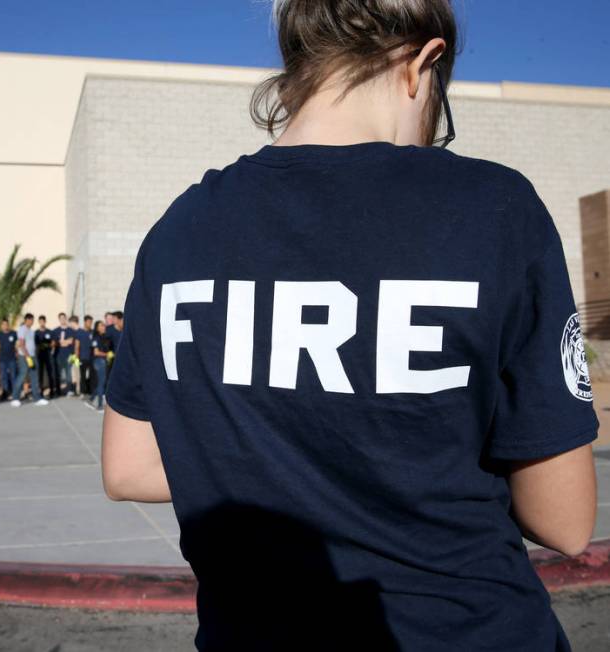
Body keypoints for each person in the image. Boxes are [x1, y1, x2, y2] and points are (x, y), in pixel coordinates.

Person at [100, 2, 599, 650]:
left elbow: (130, 466)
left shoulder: (178, 232)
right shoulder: (495, 209)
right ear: (423, 63)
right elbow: (565, 520)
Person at [10, 313, 48, 407]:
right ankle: (15, 398)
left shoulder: (31, 331)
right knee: (22, 375)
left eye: (32, 320)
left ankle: (37, 398)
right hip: (24, 356)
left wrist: (33, 355)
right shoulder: (22, 329)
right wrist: (27, 356)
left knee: (34, 377)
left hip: (33, 356)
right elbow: (21, 343)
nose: (32, 322)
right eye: (30, 320)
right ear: (26, 320)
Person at [85, 320, 111, 413]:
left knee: (101, 382)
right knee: (101, 383)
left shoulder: (104, 337)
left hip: (103, 361)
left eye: (104, 325)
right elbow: (96, 352)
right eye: (101, 325)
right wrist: (107, 354)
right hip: (99, 362)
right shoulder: (96, 338)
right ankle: (99, 405)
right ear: (97, 328)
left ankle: (91, 399)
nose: (104, 327)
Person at [53, 314, 78, 396]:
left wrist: (62, 342)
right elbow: (56, 343)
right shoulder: (55, 331)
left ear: (66, 319)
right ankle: (58, 391)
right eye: (61, 318)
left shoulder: (71, 330)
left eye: (64, 318)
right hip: (58, 355)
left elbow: (70, 342)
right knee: (58, 374)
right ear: (59, 319)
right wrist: (65, 342)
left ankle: (69, 390)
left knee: (68, 374)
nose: (62, 320)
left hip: (69, 355)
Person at [0, 319, 18, 400]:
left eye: (6, 324)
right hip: (2, 359)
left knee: (13, 376)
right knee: (3, 377)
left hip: (12, 358)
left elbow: (17, 344)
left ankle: (15, 393)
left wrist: (17, 353)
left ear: (8, 325)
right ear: (1, 326)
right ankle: (5, 393)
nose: (5, 326)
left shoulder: (14, 333)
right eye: (3, 324)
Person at [34, 315, 56, 398]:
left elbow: (53, 343)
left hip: (48, 356)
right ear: (39, 322)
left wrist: (48, 345)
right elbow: (36, 344)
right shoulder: (36, 333)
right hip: (39, 356)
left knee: (50, 373)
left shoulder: (49, 332)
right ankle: (41, 391)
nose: (42, 323)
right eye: (40, 321)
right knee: (40, 373)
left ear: (45, 322)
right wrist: (44, 345)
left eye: (43, 321)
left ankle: (51, 391)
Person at [75, 315, 94, 396]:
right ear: (85, 322)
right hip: (82, 357)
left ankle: (89, 390)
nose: (90, 324)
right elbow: (77, 346)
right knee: (82, 375)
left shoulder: (92, 332)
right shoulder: (79, 332)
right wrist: (76, 358)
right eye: (89, 322)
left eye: (91, 322)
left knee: (91, 375)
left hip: (91, 357)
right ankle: (82, 392)